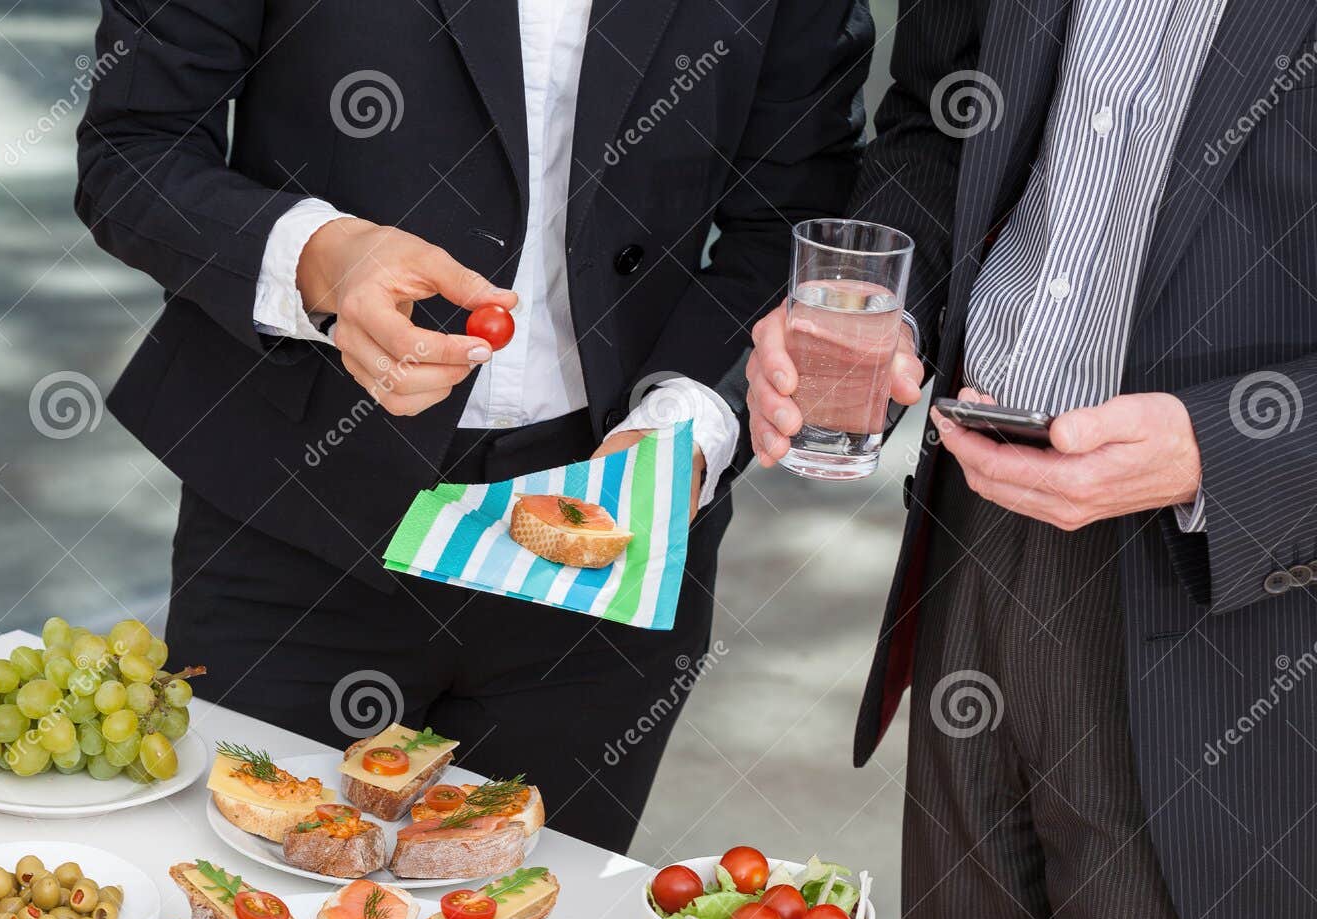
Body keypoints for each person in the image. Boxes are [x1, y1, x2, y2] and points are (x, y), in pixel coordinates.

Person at [75, 0, 873, 852]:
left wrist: (686, 425)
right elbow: (135, 144)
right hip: (298, 513)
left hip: (606, 549)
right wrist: (322, 258)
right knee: (242, 905)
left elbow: (795, 216)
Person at [747, 0, 1317, 919]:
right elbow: (938, 113)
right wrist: (877, 305)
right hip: (976, 535)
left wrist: (1224, 445)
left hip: (1251, 609)